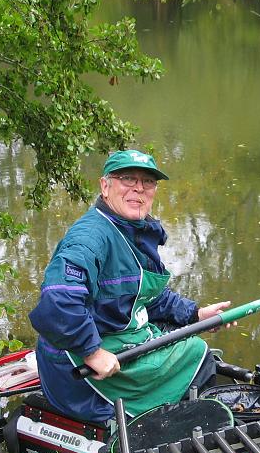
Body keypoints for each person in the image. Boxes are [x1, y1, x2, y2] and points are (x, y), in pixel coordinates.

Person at [29, 149, 232, 423]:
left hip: (122, 342)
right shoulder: (89, 239)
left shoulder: (135, 231)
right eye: (127, 179)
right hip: (80, 372)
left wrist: (196, 315)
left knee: (189, 342)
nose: (139, 188)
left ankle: (188, 422)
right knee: (193, 358)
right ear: (105, 185)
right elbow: (57, 304)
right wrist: (92, 351)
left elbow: (148, 297)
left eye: (148, 182)